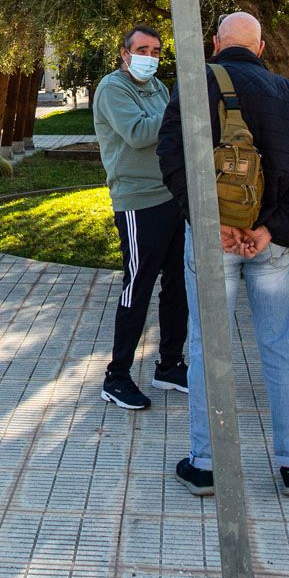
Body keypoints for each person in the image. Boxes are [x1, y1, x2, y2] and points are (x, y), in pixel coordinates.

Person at [157, 12, 289, 500]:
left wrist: (213, 224)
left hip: (215, 242)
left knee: (209, 346)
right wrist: (270, 231)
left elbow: (171, 158)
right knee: (280, 344)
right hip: (274, 244)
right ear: (262, 47)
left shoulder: (195, 84)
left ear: (215, 44)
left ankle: (206, 464)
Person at [91, 25, 189, 412]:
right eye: (143, 49)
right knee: (139, 286)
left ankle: (169, 364)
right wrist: (181, 110)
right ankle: (117, 376)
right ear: (124, 53)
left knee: (178, 284)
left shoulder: (160, 90)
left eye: (157, 50)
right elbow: (138, 133)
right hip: (137, 202)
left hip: (170, 197)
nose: (150, 56)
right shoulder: (114, 89)